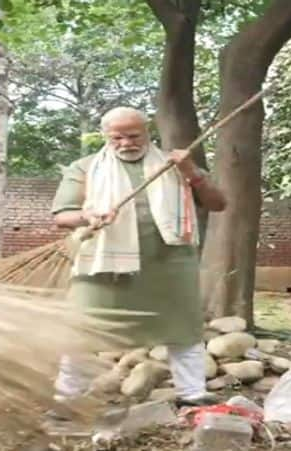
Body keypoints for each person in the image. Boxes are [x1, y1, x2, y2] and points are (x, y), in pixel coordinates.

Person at [49, 106, 227, 413]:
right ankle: (67, 398)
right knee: (82, 330)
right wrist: (87, 215)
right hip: (104, 267)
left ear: (147, 133)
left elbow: (218, 203)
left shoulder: (175, 163)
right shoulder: (86, 167)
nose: (126, 143)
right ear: (106, 136)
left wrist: (192, 172)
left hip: (170, 264)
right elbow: (62, 217)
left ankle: (192, 393)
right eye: (117, 137)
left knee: (183, 328)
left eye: (134, 135)